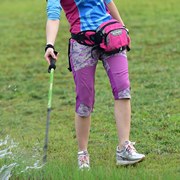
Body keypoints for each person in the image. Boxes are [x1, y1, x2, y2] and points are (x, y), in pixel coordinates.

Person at [44, 0, 145, 169]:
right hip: (82, 43)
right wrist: (50, 45)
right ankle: (83, 154)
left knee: (123, 88)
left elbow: (108, 2)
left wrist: (122, 27)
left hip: (110, 35)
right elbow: (53, 15)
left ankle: (124, 148)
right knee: (85, 100)